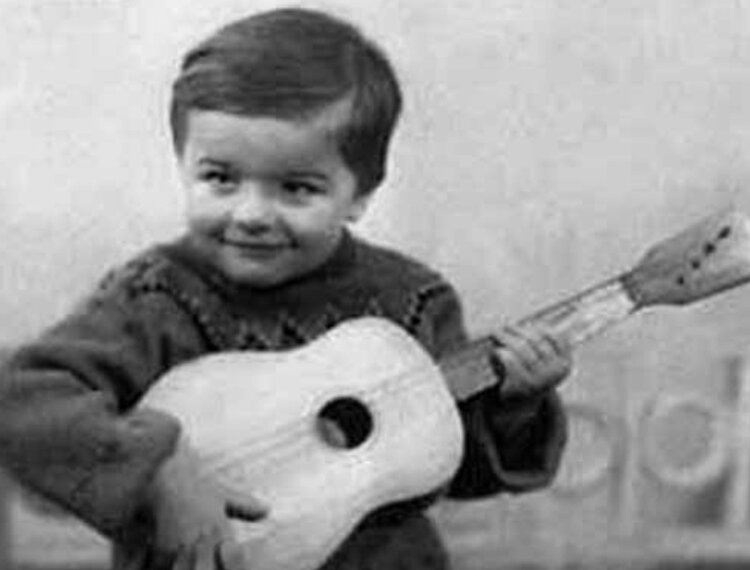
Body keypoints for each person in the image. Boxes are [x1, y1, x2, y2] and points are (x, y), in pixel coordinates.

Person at [0, 7, 571, 570]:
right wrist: (157, 467)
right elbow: (22, 400)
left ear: (360, 195)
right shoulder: (153, 297)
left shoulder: (411, 300)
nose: (251, 214)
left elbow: (446, 466)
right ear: (183, 166)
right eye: (220, 178)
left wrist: (514, 407)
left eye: (296, 188)